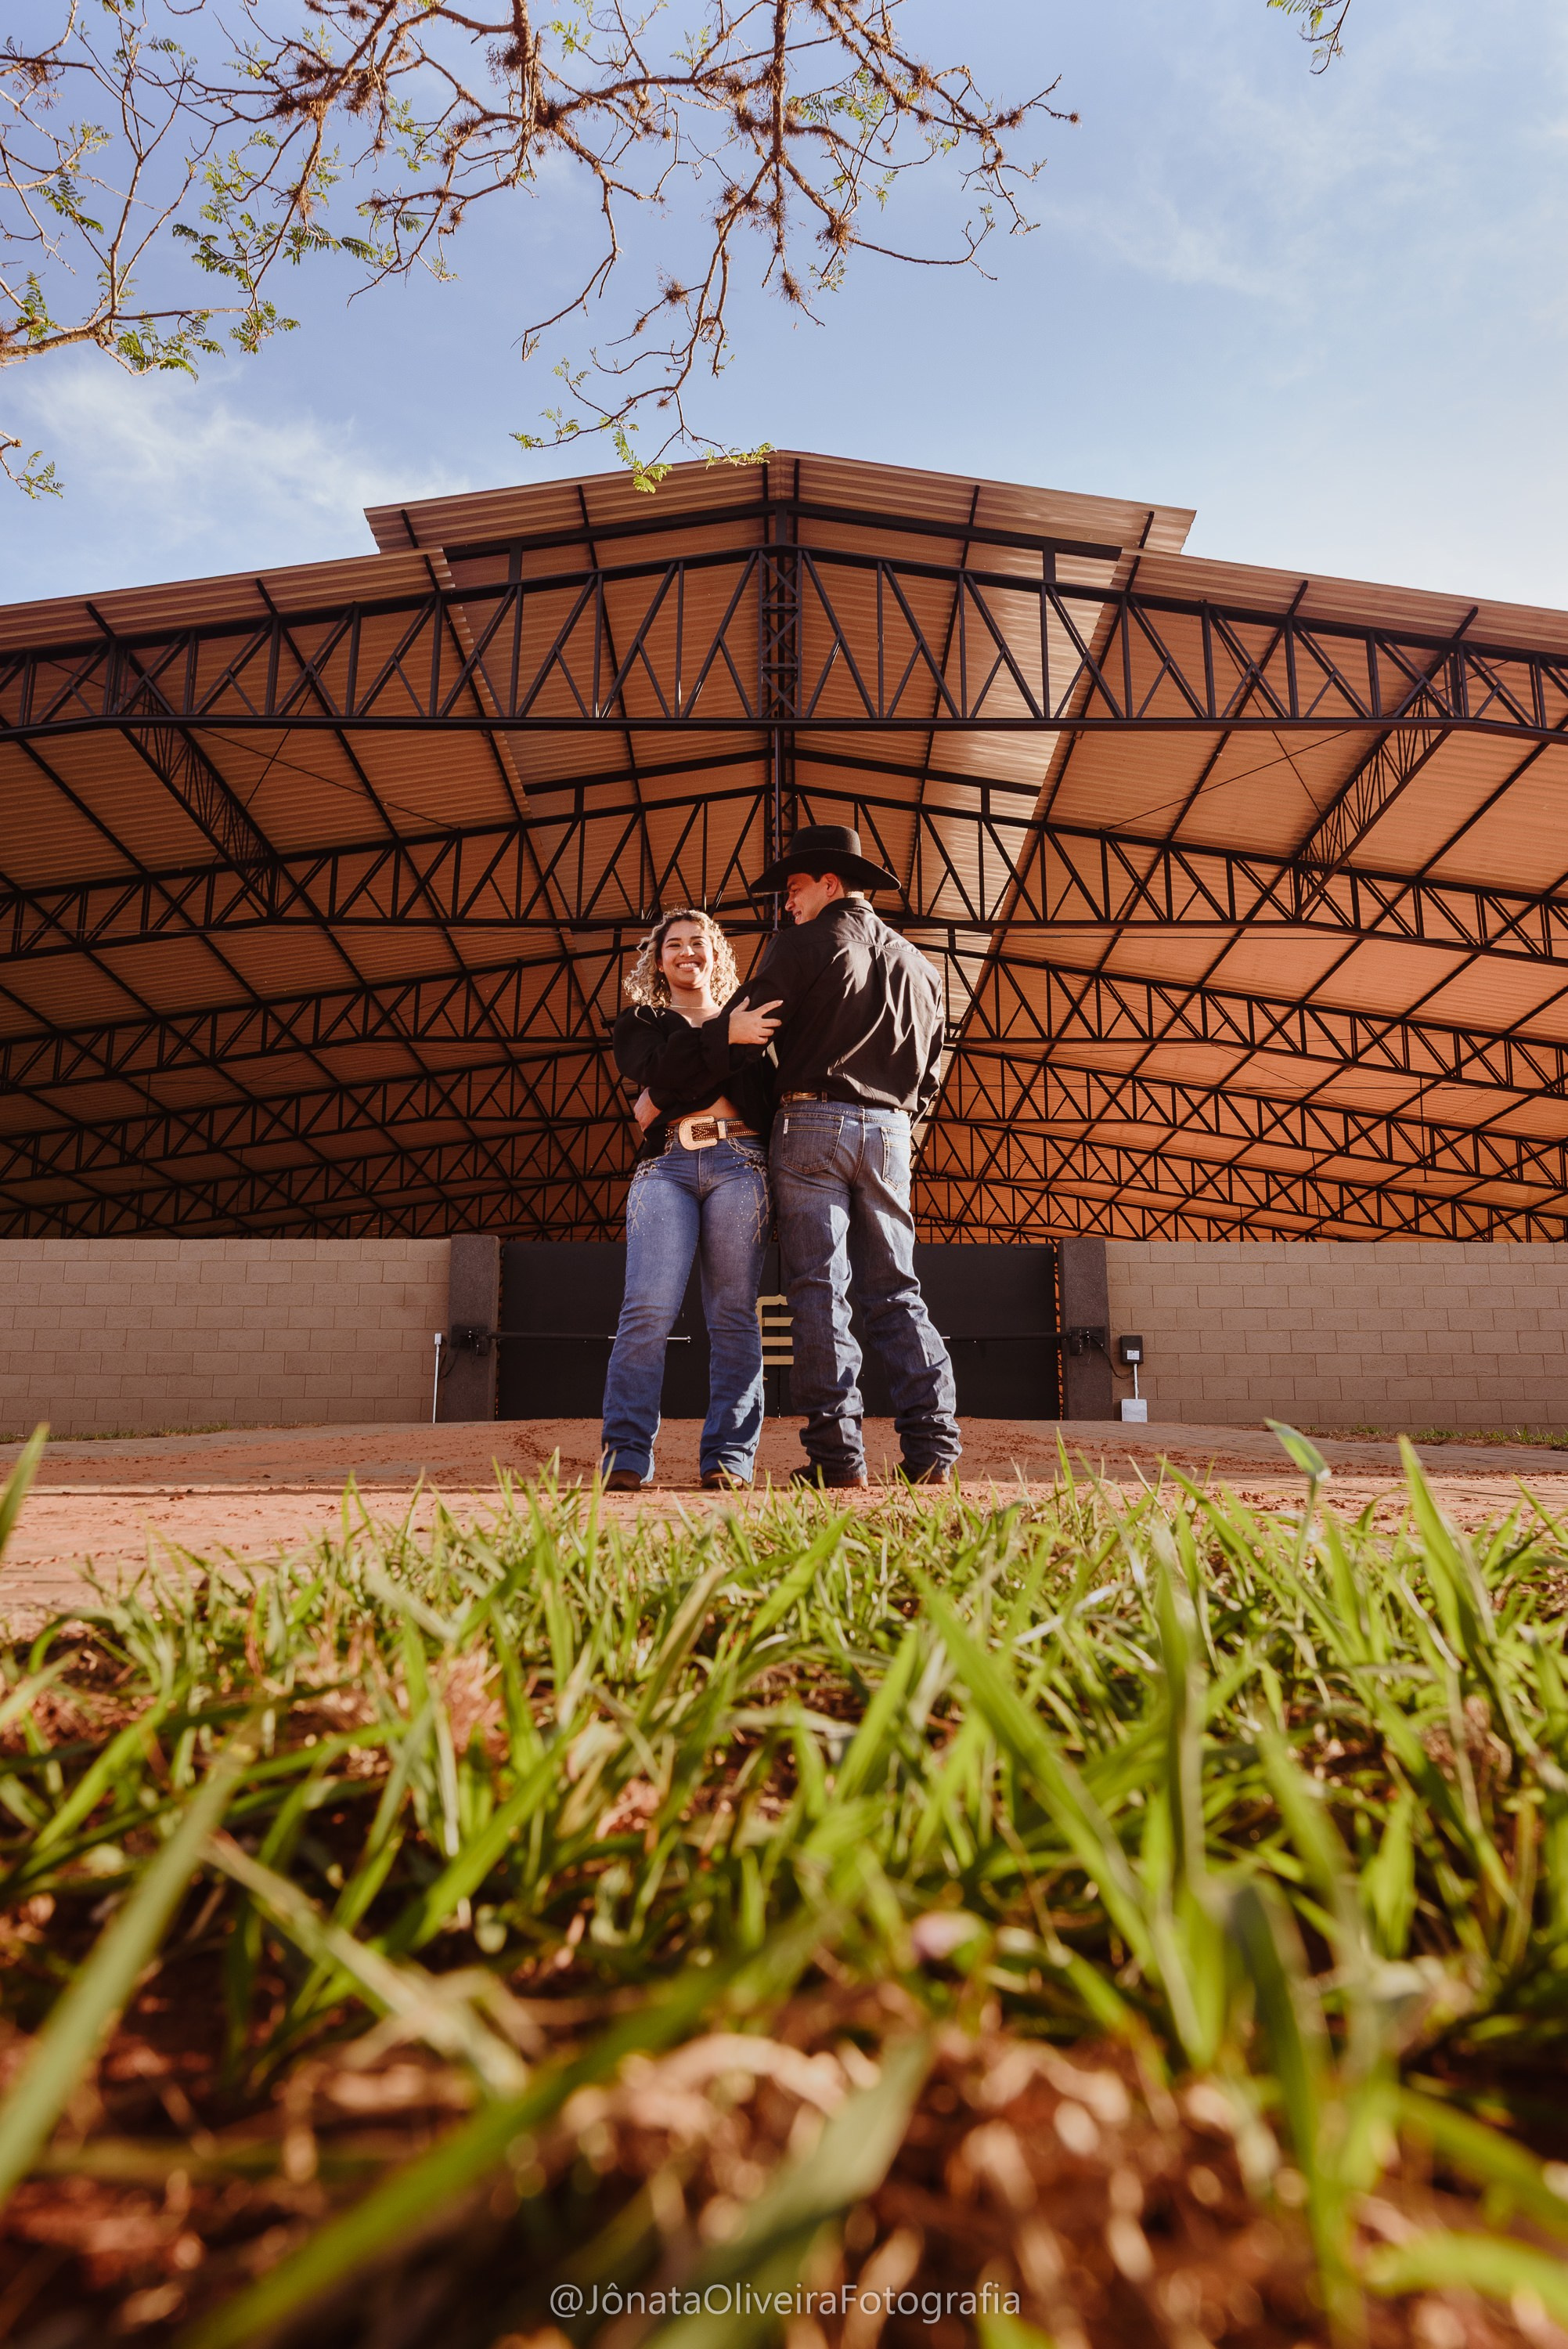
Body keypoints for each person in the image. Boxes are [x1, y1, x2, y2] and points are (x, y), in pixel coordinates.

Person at [693, 824, 961, 1490]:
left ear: (829, 884)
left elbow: (744, 1030)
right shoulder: (922, 967)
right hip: (892, 1132)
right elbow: (931, 1072)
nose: (786, 903)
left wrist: (711, 1071)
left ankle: (837, 1457)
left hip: (812, 1121)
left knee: (818, 1288)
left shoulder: (803, 944)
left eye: (793, 889)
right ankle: (932, 1447)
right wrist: (893, 1120)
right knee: (897, 1288)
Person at [600, 909, 781, 1493]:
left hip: (741, 1163)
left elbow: (747, 1092)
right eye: (673, 944)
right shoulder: (642, 1020)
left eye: (697, 942)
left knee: (733, 1314)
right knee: (646, 1310)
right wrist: (725, 1040)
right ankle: (626, 1453)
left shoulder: (750, 1020)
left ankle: (728, 1456)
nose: (686, 952)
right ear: (659, 961)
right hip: (666, 1167)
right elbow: (651, 1066)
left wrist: (667, 1091)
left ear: (716, 953)